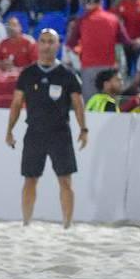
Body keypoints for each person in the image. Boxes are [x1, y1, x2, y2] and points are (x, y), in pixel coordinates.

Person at [5, 29, 86, 229]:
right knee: (30, 180)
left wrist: (84, 129)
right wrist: (9, 130)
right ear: (38, 44)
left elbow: (78, 103)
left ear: (58, 45)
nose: (47, 45)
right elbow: (16, 103)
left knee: (65, 181)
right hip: (34, 132)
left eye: (51, 41)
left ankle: (67, 224)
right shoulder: (28, 73)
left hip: (60, 133)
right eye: (43, 41)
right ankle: (26, 223)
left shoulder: (67, 74)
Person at [67, 0, 132, 100]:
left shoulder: (81, 20)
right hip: (109, 68)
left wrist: (80, 52)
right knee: (110, 103)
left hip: (89, 67)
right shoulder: (113, 19)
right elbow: (126, 42)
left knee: (90, 104)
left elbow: (71, 43)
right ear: (101, 1)